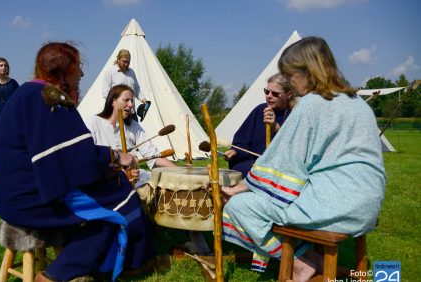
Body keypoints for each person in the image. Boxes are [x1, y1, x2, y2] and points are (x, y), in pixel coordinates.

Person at [221, 37, 385, 281]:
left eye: (292, 76)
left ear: (307, 72)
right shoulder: (358, 103)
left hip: (337, 205)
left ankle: (301, 260)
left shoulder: (312, 104)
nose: (291, 84)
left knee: (241, 206)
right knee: (286, 194)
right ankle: (313, 257)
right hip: (368, 205)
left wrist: (239, 189)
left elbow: (283, 161)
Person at [0, 42, 156, 282]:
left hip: (17, 194)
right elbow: (76, 161)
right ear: (63, 71)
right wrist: (115, 157)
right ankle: (62, 273)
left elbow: (70, 153)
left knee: (115, 190)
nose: (81, 73)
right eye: (77, 67)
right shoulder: (46, 99)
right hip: (29, 200)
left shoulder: (30, 94)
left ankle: (111, 262)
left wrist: (107, 158)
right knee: (119, 202)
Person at [86, 84, 211, 255]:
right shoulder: (95, 123)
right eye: (126, 100)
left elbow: (153, 157)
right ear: (113, 101)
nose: (131, 104)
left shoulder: (134, 127)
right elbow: (89, 159)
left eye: (132, 101)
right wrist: (119, 171)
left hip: (138, 177)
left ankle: (198, 242)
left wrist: (180, 171)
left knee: (174, 186)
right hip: (108, 181)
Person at [224, 73, 294, 177]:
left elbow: (294, 147)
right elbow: (242, 140)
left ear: (289, 95)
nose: (269, 96)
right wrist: (235, 151)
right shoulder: (259, 110)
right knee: (238, 171)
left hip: (279, 169)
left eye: (275, 94)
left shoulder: (294, 115)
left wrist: (276, 127)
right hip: (252, 164)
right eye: (267, 91)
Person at [101, 49, 148, 121]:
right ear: (118, 59)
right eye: (124, 61)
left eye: (128, 62)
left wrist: (144, 100)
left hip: (132, 113)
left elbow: (137, 89)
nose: (126, 64)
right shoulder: (110, 72)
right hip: (117, 113)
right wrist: (117, 103)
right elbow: (105, 92)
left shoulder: (132, 72)